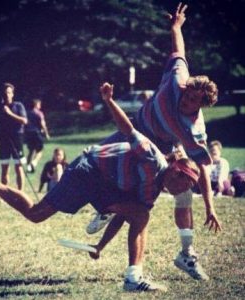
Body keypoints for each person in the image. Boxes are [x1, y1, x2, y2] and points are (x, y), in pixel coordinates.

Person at [0, 82, 202, 293]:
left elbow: (129, 216)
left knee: (140, 212)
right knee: (36, 215)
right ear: (175, 170)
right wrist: (109, 100)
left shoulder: (153, 190)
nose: (182, 191)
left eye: (188, 187)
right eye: (184, 184)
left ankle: (133, 277)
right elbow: (128, 128)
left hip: (104, 184)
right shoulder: (152, 157)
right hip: (86, 170)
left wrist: (100, 246)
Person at [87, 3, 222, 281]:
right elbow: (179, 51)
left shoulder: (194, 129)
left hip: (165, 147)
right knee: (98, 162)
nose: (185, 97)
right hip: (134, 130)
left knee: (182, 189)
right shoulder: (177, 79)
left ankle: (186, 254)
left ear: (201, 105)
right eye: (187, 92)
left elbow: (203, 168)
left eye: (192, 99)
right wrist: (175, 27)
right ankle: (105, 206)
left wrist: (210, 206)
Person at [0, 82, 27, 191]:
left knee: (18, 167)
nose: (7, 95)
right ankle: (5, 194)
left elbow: (24, 121)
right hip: (4, 138)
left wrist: (10, 113)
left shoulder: (18, 105)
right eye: (5, 93)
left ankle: (21, 192)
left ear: (12, 94)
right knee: (4, 168)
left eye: (9, 92)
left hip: (16, 138)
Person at [26, 99, 50, 173]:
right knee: (40, 150)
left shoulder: (28, 113)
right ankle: (34, 162)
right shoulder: (39, 113)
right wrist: (46, 134)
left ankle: (28, 167)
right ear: (36, 105)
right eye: (39, 104)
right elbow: (43, 124)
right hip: (37, 133)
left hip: (28, 133)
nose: (40, 106)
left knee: (30, 151)